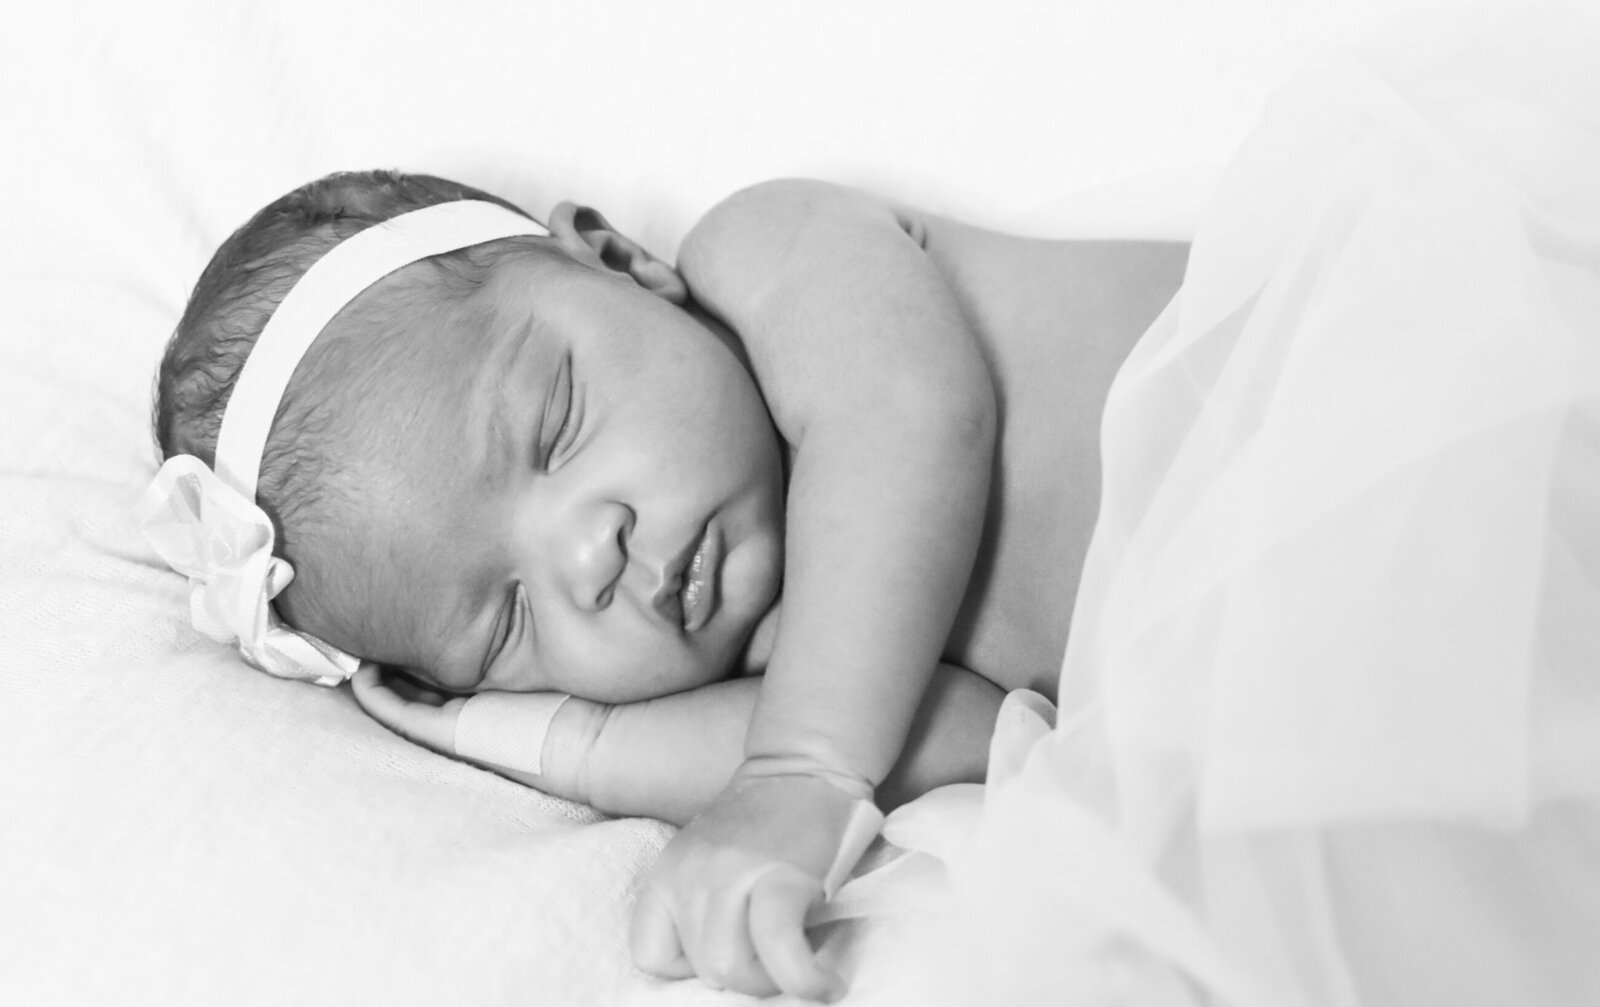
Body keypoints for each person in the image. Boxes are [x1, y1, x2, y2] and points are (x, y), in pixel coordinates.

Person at [142, 168, 1186, 1001]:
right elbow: (983, 734)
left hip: (1298, 422)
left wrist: (796, 769)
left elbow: (909, 413)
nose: (586, 559)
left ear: (619, 260)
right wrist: (564, 742)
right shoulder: (796, 674)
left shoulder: (766, 251)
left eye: (554, 421)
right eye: (506, 621)